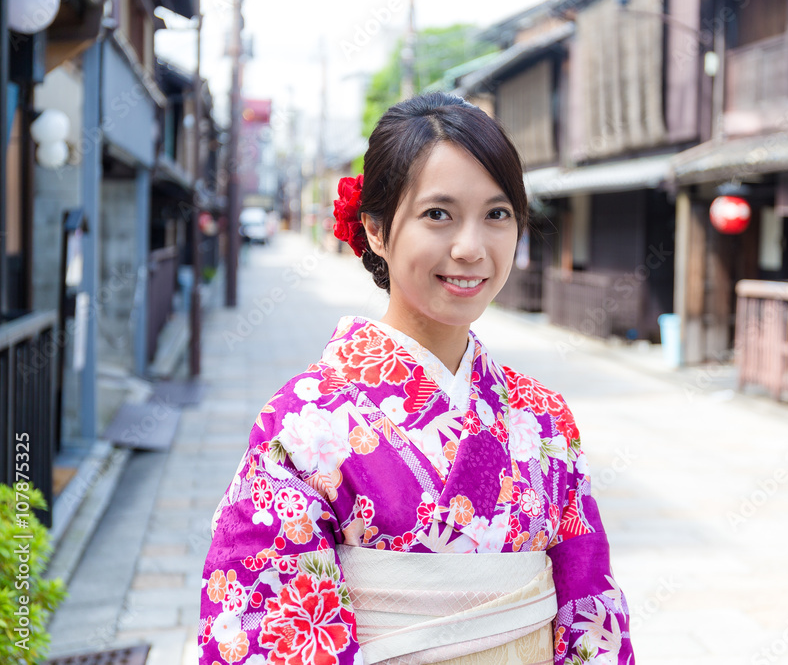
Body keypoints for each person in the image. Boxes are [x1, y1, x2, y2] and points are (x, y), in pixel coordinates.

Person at [199, 92, 634, 664]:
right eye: (438, 214)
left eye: (497, 214)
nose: (471, 247)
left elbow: (590, 613)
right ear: (376, 230)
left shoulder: (544, 419)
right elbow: (265, 633)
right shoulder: (305, 429)